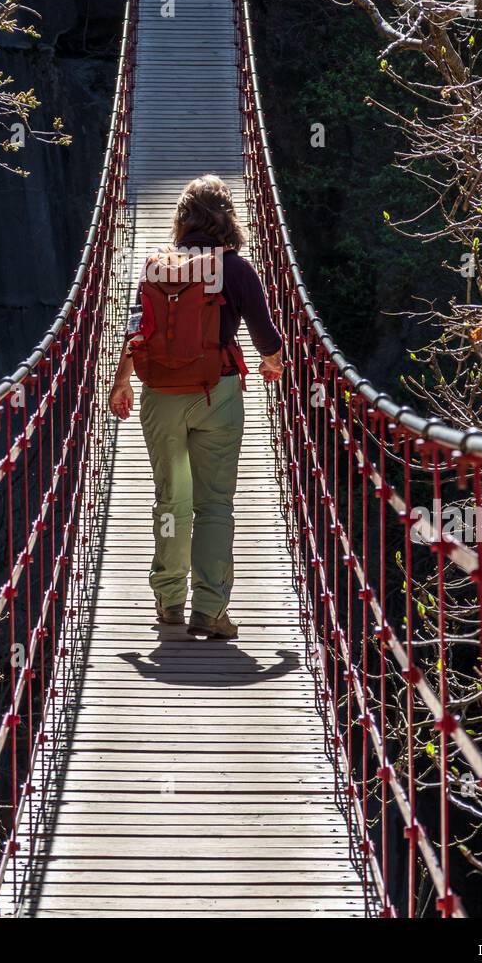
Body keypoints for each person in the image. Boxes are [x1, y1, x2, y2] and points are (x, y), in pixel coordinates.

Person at [108, 175, 283, 639]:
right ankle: (210, 609)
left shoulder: (157, 267)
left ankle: (168, 601)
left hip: (160, 397)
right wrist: (272, 364)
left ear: (181, 221)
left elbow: (136, 330)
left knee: (171, 500)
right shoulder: (237, 269)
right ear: (228, 221)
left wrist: (122, 381)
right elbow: (266, 335)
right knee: (214, 505)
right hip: (217, 395)